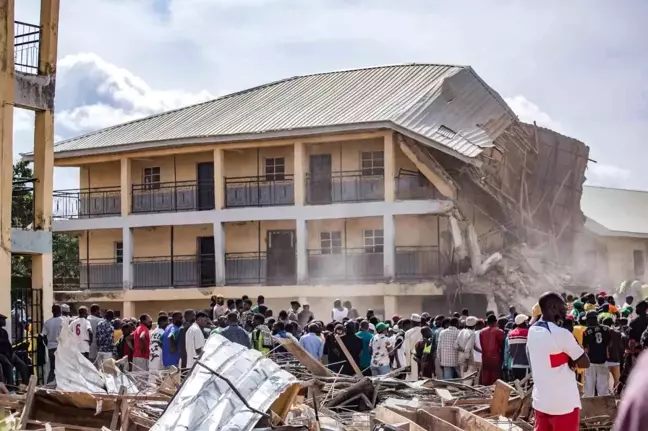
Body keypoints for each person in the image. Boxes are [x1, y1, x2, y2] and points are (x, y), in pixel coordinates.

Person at [527, 292, 590, 431]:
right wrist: (570, 358)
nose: (565, 309)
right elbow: (585, 363)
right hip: (564, 404)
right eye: (563, 306)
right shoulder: (561, 334)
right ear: (553, 307)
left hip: (541, 402)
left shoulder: (532, 331)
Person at [582, 310, 611, 396]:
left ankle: (589, 408)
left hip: (590, 362)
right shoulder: (606, 329)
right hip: (603, 361)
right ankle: (605, 408)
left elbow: (586, 348)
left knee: (589, 389)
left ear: (588, 319)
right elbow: (608, 345)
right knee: (603, 389)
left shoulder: (586, 331)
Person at [0, 314, 29, 387]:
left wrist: (12, 352)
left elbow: (8, 344)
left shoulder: (4, 331)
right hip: (1, 354)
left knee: (23, 366)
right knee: (8, 366)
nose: (5, 321)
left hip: (9, 353)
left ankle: (25, 386)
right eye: (3, 319)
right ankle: (10, 387)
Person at [479, 314, 505, 385]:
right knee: (495, 379)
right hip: (496, 358)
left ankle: (485, 394)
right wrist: (502, 358)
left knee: (486, 378)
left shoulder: (482, 332)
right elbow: (502, 346)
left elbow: (481, 345)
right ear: (495, 322)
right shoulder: (500, 332)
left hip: (485, 358)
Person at [41, 304, 63, 383]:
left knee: (52, 369)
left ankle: (48, 384)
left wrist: (47, 345)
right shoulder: (62, 321)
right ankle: (60, 385)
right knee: (61, 368)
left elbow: (43, 336)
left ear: (52, 311)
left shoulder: (47, 322)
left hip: (50, 347)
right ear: (60, 311)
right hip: (60, 347)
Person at [507, 314, 530, 380]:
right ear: (523, 322)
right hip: (525, 365)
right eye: (526, 321)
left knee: (518, 386)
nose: (527, 322)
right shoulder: (527, 333)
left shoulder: (511, 334)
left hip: (514, 364)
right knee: (525, 387)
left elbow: (510, 351)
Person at [404, 313, 423, 380]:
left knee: (413, 381)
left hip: (413, 359)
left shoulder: (408, 333)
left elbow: (407, 350)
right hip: (424, 359)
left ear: (412, 322)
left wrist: (408, 366)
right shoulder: (425, 331)